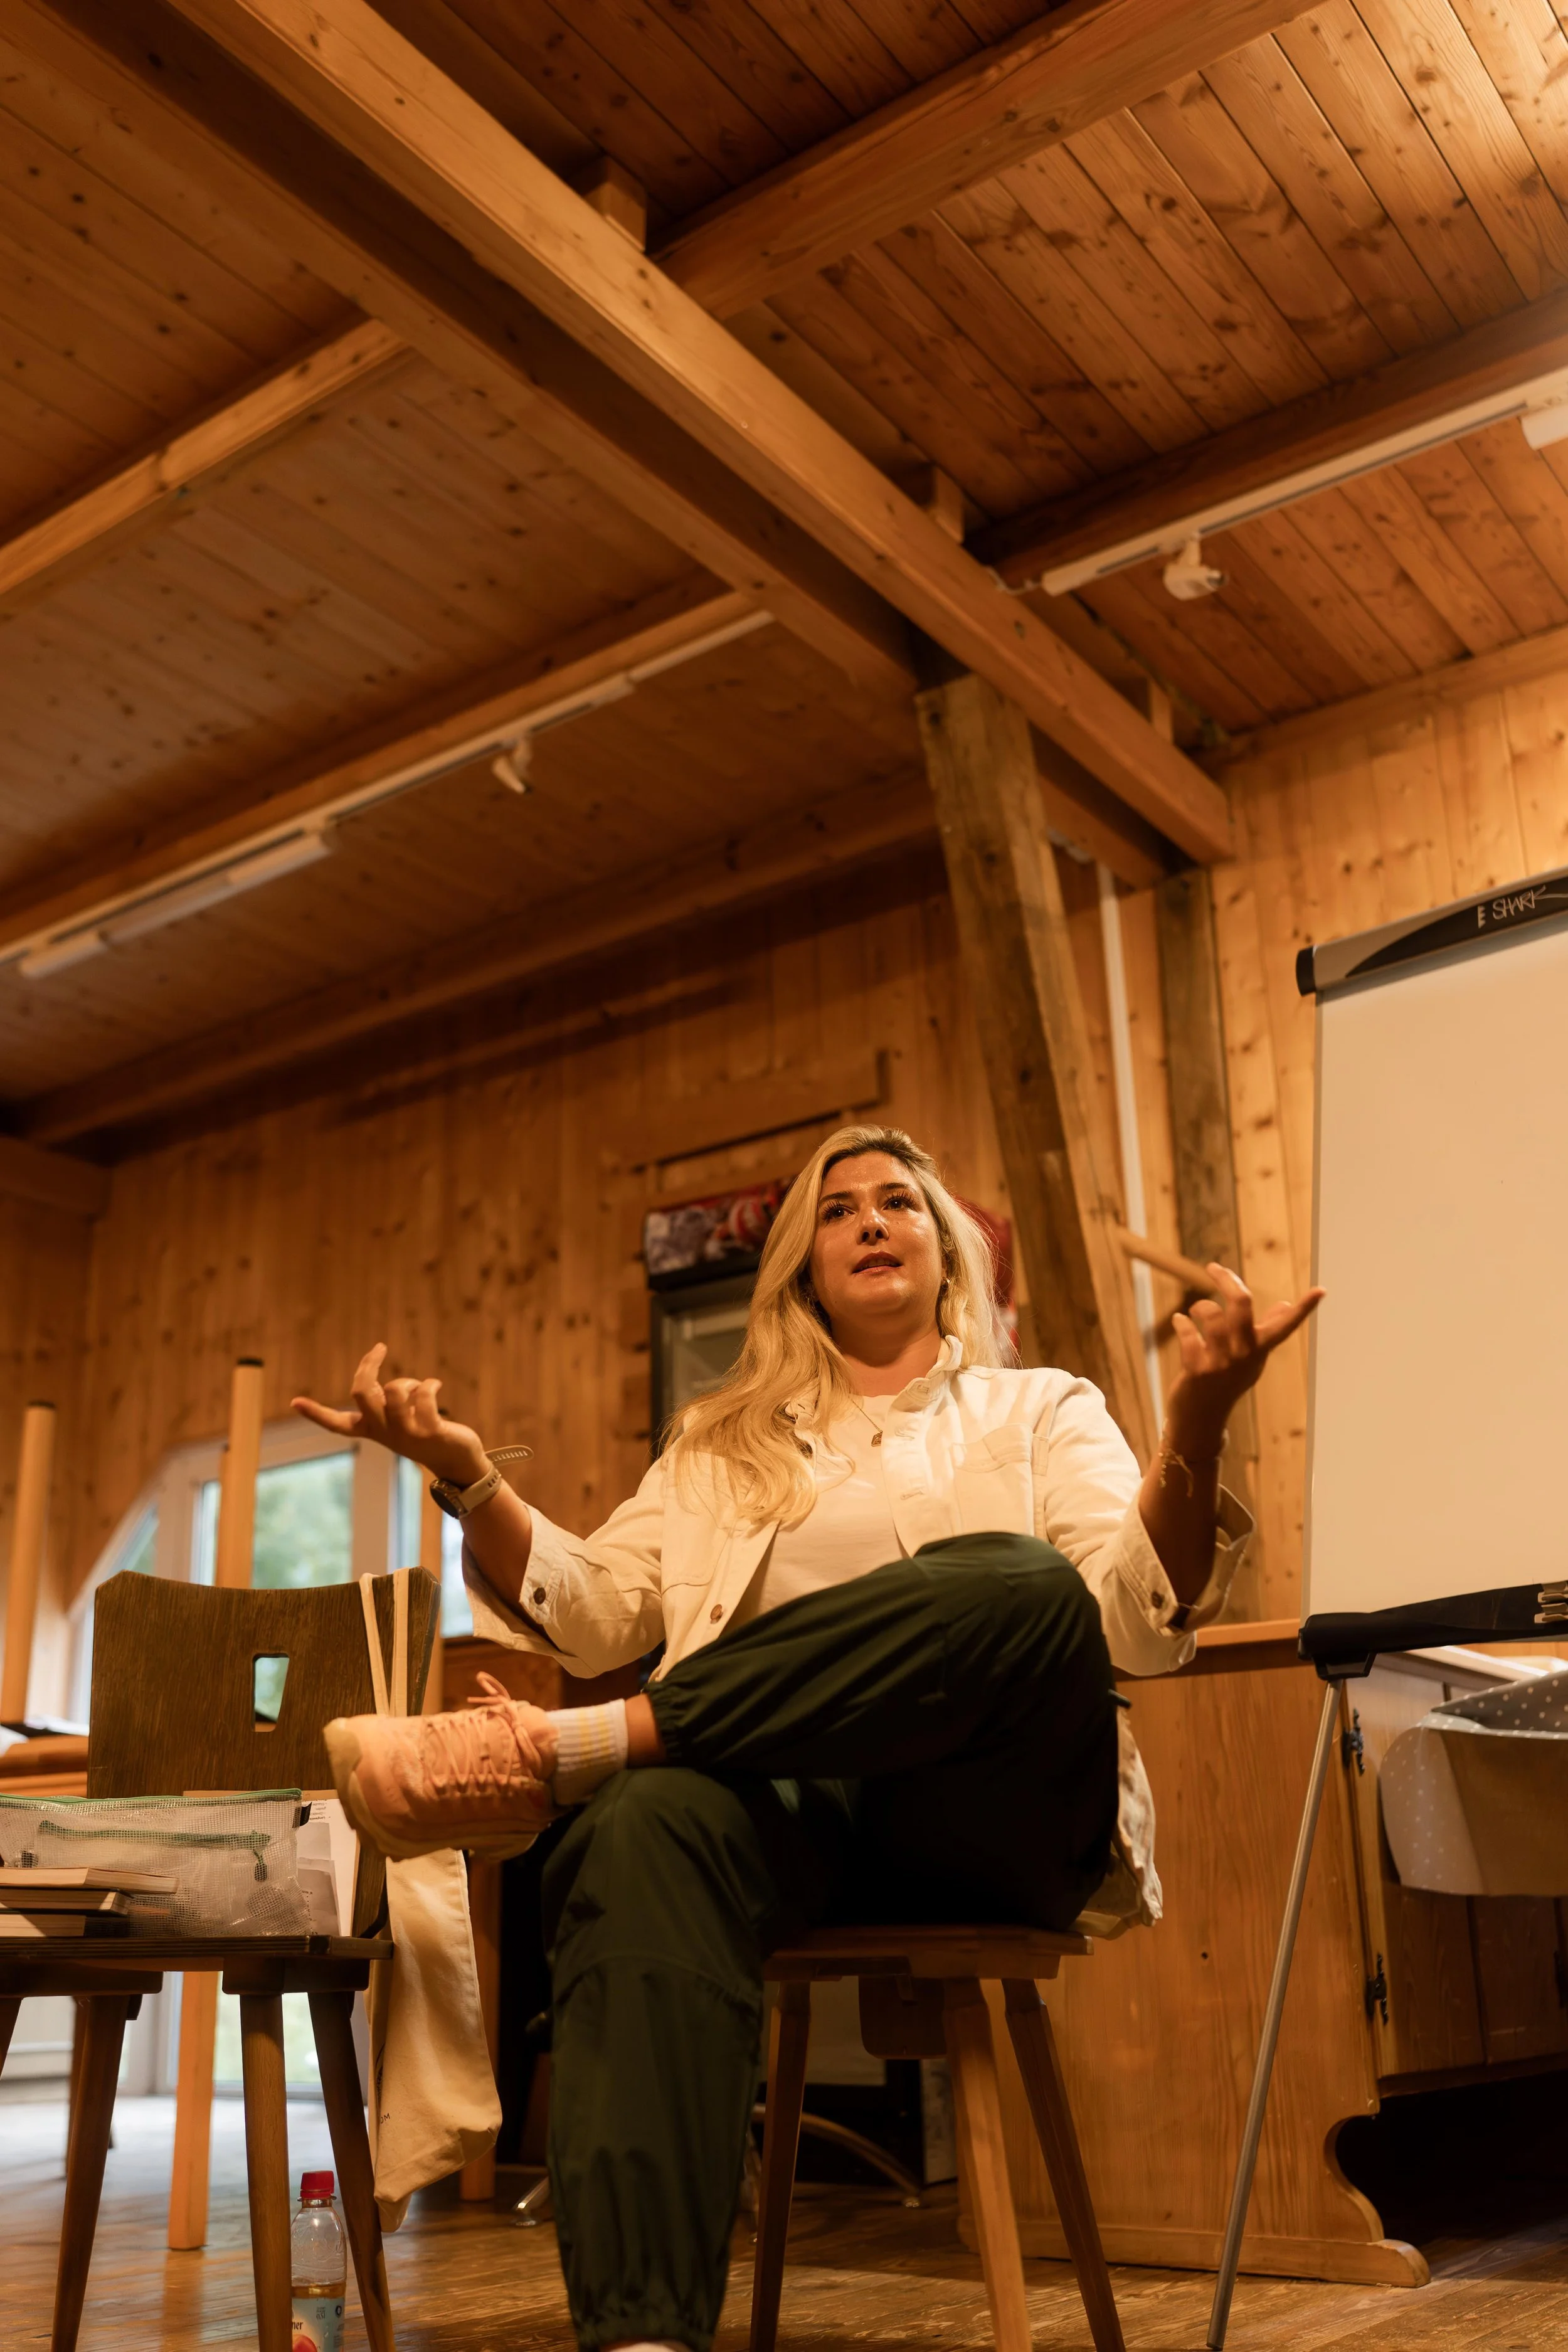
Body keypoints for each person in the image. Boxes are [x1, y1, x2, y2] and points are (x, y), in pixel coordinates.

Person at [294, 1124, 1321, 2352]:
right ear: (800, 1265)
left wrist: (1194, 1425)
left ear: (948, 1255)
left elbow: (1133, 1627)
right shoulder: (718, 1444)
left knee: (1012, 1583)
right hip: (785, 1815)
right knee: (639, 1828)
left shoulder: (1040, 1409)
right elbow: (594, 1608)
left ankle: (577, 1749)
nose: (871, 1220)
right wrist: (470, 1481)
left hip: (990, 1810)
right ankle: (639, 2333)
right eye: (838, 1210)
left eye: (899, 1202)